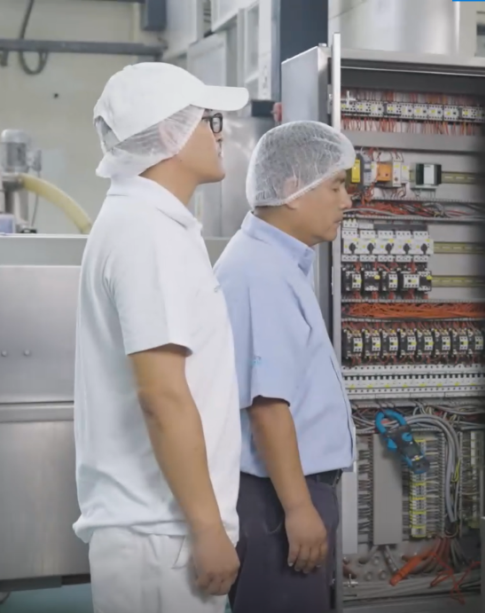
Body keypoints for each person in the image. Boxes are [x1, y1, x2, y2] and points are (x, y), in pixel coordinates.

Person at [73, 63, 250, 613]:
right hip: (162, 535)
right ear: (171, 135)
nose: (220, 133)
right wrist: (206, 528)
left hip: (160, 529)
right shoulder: (147, 234)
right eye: (210, 120)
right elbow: (162, 396)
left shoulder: (150, 223)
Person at [214, 121, 357, 613]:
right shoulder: (261, 274)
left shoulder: (275, 264)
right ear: (294, 189)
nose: (347, 202)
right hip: (277, 498)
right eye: (337, 185)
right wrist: (298, 509)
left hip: (285, 490)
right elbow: (268, 407)